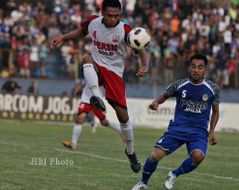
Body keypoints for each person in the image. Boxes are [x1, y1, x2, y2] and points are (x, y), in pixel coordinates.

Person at [50, 0, 149, 173]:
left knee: (123, 117)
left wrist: (144, 65)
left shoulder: (125, 30)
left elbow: (140, 49)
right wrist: (64, 37)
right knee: (86, 59)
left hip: (114, 73)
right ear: (102, 12)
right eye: (110, 15)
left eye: (116, 16)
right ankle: (96, 96)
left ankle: (131, 151)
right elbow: (81, 31)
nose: (113, 19)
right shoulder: (93, 22)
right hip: (96, 66)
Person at [132, 54, 220, 190]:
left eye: (200, 67)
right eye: (193, 66)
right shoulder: (180, 84)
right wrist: (156, 102)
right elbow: (165, 95)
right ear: (189, 69)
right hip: (178, 128)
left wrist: (212, 131)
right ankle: (143, 183)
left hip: (198, 131)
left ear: (205, 70)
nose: (196, 70)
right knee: (155, 155)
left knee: (198, 157)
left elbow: (215, 111)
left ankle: (174, 174)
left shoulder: (213, 89)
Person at [63, 84, 124, 150]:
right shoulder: (88, 73)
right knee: (79, 119)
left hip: (97, 101)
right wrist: (76, 90)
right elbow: (81, 83)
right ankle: (73, 144)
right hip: (86, 100)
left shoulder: (104, 75)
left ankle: (122, 131)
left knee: (104, 122)